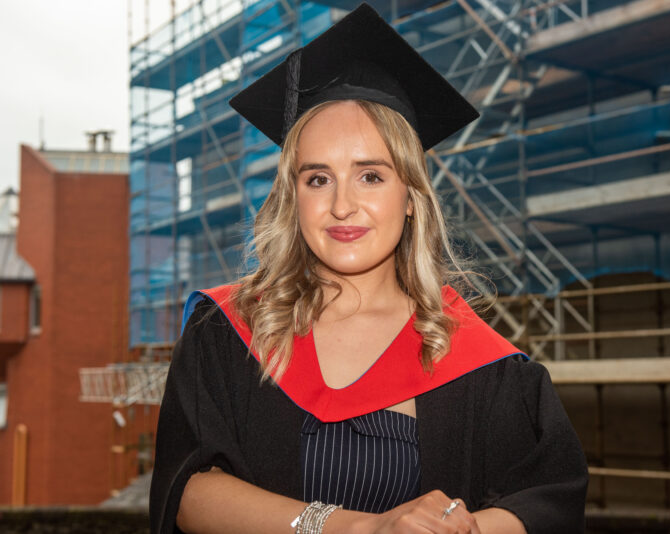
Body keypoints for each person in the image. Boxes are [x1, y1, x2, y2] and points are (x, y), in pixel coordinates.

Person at [149, 4, 588, 534]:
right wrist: (357, 529)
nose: (341, 206)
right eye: (317, 179)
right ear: (293, 198)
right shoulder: (226, 329)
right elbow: (187, 491)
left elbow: (547, 501)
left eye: (371, 176)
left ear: (410, 196)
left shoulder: (480, 361)